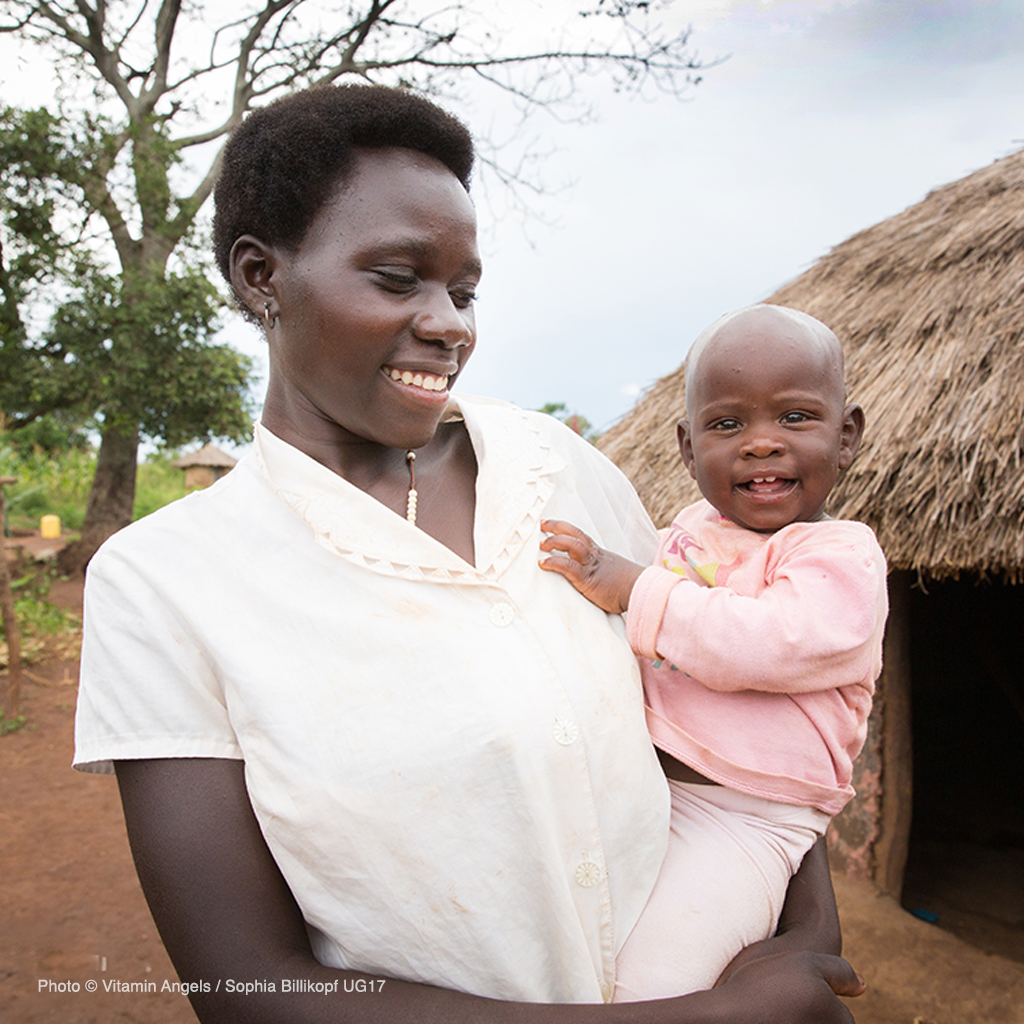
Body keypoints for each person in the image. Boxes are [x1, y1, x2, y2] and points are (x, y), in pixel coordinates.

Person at [73, 86, 863, 1024]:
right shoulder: (164, 584)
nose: (451, 323)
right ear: (260, 278)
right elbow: (248, 986)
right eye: (399, 278)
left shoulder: (558, 468)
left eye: (464, 289)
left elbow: (722, 669)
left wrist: (809, 929)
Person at [540, 304, 888, 1000]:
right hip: (642, 788)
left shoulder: (842, 559)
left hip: (746, 820)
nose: (760, 444)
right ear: (687, 446)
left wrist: (636, 590)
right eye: (728, 425)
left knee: (649, 981)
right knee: (561, 948)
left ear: (846, 436)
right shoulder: (689, 529)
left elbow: (764, 645)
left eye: (794, 418)